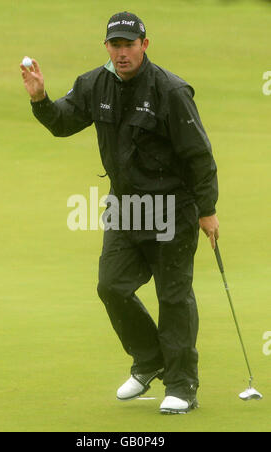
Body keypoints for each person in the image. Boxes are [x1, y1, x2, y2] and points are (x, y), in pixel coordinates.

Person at [20, 11, 219, 415]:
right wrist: (40, 98)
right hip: (126, 208)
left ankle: (182, 385)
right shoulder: (94, 84)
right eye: (116, 45)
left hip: (173, 210)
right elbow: (62, 123)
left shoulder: (172, 91)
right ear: (106, 47)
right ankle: (149, 359)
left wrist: (208, 209)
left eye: (130, 44)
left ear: (144, 45)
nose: (122, 52)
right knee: (111, 286)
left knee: (174, 297)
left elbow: (198, 154)